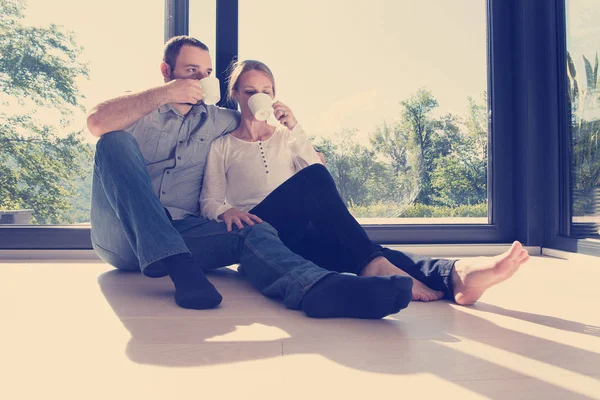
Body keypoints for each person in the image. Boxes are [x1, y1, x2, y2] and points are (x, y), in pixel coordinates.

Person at [87, 35, 415, 319]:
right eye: (191, 72)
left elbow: (258, 126)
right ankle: (174, 263)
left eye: (206, 73)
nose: (199, 81)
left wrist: (296, 134)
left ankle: (320, 288)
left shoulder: (222, 122)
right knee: (113, 141)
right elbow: (97, 122)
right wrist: (163, 94)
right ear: (166, 71)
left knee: (252, 230)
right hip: (121, 237)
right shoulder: (139, 110)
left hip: (187, 235)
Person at [200, 59, 531, 305]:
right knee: (320, 185)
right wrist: (226, 213)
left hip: (299, 237)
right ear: (236, 95)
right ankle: (383, 267)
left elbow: (317, 172)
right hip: (260, 230)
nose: (259, 96)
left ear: (274, 96)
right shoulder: (223, 146)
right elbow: (209, 202)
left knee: (365, 251)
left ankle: (457, 273)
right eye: (251, 91)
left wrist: (296, 129)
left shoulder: (288, 138)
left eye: (266, 91)